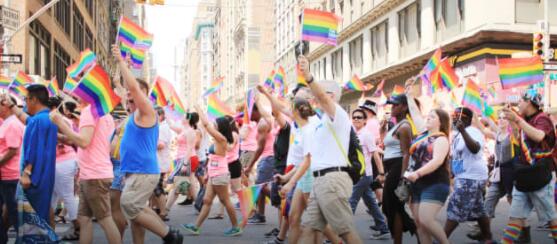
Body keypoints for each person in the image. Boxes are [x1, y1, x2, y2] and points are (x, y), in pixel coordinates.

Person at [112, 44, 183, 244]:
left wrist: (119, 60)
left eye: (134, 91)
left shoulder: (147, 111)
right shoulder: (133, 113)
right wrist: (123, 71)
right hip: (134, 171)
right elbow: (124, 88)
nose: (129, 94)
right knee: (137, 215)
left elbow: (133, 88)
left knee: (129, 205)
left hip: (143, 171)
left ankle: (169, 236)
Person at [296, 55, 363, 244]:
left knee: (345, 231)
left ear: (331, 96)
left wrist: (308, 76)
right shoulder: (322, 119)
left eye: (319, 93)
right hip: (321, 181)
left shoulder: (338, 114)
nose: (313, 97)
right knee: (308, 229)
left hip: (331, 180)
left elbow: (322, 97)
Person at [50, 95, 121, 244]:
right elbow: (83, 140)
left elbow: (83, 141)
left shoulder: (90, 111)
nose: (77, 95)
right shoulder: (104, 113)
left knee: (104, 219)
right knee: (84, 219)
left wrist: (59, 123)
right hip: (92, 172)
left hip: (94, 174)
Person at [2, 84, 58, 242]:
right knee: (41, 216)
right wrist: (11, 105)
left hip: (34, 179)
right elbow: (28, 120)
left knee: (31, 220)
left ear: (34, 100)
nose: (25, 103)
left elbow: (32, 149)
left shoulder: (38, 121)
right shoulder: (49, 118)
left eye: (26, 99)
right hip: (45, 177)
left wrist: (26, 172)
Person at [500, 92, 557, 244]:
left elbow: (539, 136)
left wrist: (517, 119)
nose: (518, 104)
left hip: (541, 175)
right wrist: (513, 121)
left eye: (521, 101)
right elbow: (519, 142)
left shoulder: (542, 118)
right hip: (525, 175)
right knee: (515, 217)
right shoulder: (526, 120)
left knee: (552, 218)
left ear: (529, 102)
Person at [182, 105, 242, 237]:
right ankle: (196, 226)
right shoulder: (217, 139)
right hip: (214, 174)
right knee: (207, 201)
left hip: (220, 175)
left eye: (215, 123)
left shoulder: (221, 139)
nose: (213, 125)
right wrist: (207, 174)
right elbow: (212, 158)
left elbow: (206, 125)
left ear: (220, 127)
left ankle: (236, 227)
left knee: (226, 201)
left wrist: (199, 109)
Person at [404, 90, 452, 244]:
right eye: (428, 116)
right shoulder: (422, 134)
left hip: (435, 183)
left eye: (432, 116)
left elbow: (437, 161)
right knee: (419, 224)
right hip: (416, 184)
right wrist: (409, 94)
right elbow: (416, 114)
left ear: (440, 122)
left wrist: (417, 174)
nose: (428, 118)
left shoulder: (442, 139)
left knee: (426, 219)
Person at [443, 107, 493, 242]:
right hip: (464, 176)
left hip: (471, 177)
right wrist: (452, 173)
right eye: (453, 115)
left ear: (467, 118)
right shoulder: (457, 134)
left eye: (457, 115)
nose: (454, 118)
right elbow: (456, 156)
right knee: (479, 210)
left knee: (455, 209)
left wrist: (463, 131)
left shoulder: (473, 131)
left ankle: (440, 240)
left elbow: (475, 148)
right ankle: (488, 239)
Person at [467, 114, 517, 241]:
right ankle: (483, 232)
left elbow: (496, 127)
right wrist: (478, 117)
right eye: (499, 118)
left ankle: (523, 230)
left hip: (511, 172)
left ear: (510, 121)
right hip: (498, 172)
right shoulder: (497, 135)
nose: (501, 119)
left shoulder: (513, 136)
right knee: (489, 199)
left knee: (514, 202)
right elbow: (483, 129)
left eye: (504, 117)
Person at [348, 108, 390, 240]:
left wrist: (382, 172)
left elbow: (375, 155)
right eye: (354, 117)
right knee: (371, 202)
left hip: (364, 174)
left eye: (359, 117)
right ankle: (383, 228)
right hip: (358, 174)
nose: (356, 119)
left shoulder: (366, 135)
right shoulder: (353, 134)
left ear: (365, 120)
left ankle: (340, 232)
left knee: (351, 202)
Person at [382, 94, 417, 244]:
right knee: (389, 206)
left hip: (398, 168)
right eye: (391, 105)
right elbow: (388, 146)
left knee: (394, 207)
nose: (392, 107)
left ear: (404, 106)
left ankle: (411, 231)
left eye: (395, 105)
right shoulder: (396, 125)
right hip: (392, 168)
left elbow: (406, 154)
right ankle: (415, 229)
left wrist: (403, 176)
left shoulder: (404, 126)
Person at [48, 97, 80, 240]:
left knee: (67, 196)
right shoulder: (57, 119)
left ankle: (79, 229)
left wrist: (53, 136)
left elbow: (70, 139)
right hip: (60, 162)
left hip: (63, 162)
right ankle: (50, 231)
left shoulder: (59, 120)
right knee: (52, 198)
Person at [244, 103, 276, 225]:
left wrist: (250, 165)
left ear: (255, 111)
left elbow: (260, 148)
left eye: (249, 112)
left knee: (260, 186)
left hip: (268, 157)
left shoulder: (262, 124)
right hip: (267, 157)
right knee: (261, 185)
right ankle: (260, 215)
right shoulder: (261, 122)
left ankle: (281, 204)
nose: (248, 115)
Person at [0, 95, 24, 244]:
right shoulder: (6, 123)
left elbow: (13, 150)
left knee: (15, 213)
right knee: (10, 212)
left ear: (6, 106)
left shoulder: (13, 124)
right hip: (6, 175)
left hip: (11, 175)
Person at [166, 113, 198, 210]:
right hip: (183, 159)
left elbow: (189, 148)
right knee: (190, 183)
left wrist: (185, 163)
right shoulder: (183, 129)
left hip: (187, 159)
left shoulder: (190, 131)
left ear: (188, 119)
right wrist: (165, 111)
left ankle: (165, 210)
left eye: (183, 116)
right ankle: (199, 205)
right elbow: (171, 125)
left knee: (178, 183)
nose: (181, 117)